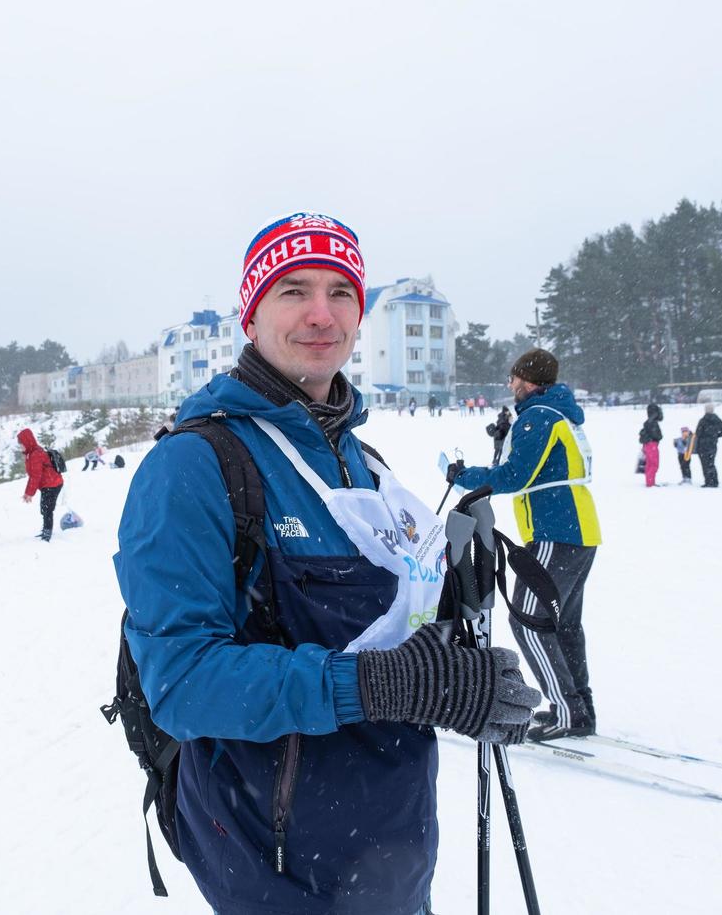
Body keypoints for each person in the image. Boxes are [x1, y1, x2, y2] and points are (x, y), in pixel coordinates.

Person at [116, 212, 537, 915]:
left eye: (342, 292)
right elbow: (183, 685)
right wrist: (383, 684)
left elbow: (393, 639)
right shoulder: (192, 465)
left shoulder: (364, 462)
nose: (321, 314)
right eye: (293, 290)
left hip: (392, 840)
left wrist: (452, 633)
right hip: (277, 859)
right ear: (251, 316)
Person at [449, 347, 600, 741]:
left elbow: (516, 475)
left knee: (529, 622)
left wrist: (464, 476)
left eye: (515, 378)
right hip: (579, 530)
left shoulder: (539, 415)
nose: (511, 385)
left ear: (529, 381)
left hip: (556, 531)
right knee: (562, 623)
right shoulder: (560, 413)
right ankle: (578, 707)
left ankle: (568, 711)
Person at [18, 429, 63, 541]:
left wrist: (29, 493)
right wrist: (28, 492)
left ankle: (47, 534)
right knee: (44, 509)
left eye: (21, 443)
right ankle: (45, 530)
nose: (20, 446)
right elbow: (33, 475)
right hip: (48, 484)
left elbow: (35, 476)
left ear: (27, 442)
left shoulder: (35, 454)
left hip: (52, 484)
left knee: (47, 509)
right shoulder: (32, 453)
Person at [694, 403, 722, 487]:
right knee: (711, 462)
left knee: (705, 464)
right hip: (713, 444)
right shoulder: (718, 420)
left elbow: (698, 433)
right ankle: (714, 481)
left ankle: (708, 481)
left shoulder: (703, 420)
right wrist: (715, 436)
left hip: (703, 445)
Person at [638, 408, 662, 487]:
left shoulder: (647, 422)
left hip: (647, 445)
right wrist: (659, 436)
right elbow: (656, 435)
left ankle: (649, 481)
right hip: (652, 445)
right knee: (654, 464)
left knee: (649, 464)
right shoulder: (653, 423)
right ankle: (651, 483)